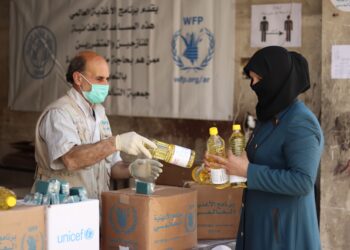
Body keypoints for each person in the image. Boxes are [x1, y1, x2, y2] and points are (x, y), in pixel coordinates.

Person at [204, 46, 323, 250]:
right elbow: (254, 162)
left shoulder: (300, 122)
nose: (253, 85)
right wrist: (225, 165)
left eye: (258, 78)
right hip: (261, 225)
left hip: (283, 234)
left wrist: (247, 171)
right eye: (251, 78)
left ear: (276, 79)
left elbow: (302, 181)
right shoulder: (270, 116)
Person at [33, 51, 163, 199]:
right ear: (78, 78)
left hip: (93, 207)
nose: (105, 85)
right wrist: (115, 142)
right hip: (62, 208)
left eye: (107, 79)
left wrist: (132, 169)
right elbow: (71, 160)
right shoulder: (60, 113)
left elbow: (112, 166)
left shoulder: (99, 113)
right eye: (99, 79)